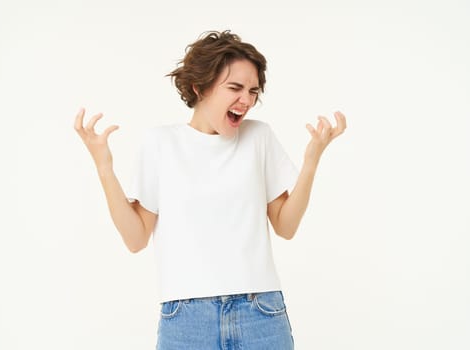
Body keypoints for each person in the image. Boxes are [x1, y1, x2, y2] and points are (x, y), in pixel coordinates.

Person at [74, 30, 346, 350]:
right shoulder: (161, 144)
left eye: (253, 90)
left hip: (260, 312)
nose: (246, 100)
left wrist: (311, 160)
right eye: (235, 88)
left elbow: (286, 227)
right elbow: (135, 239)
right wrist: (104, 166)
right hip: (187, 320)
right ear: (199, 87)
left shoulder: (259, 137)